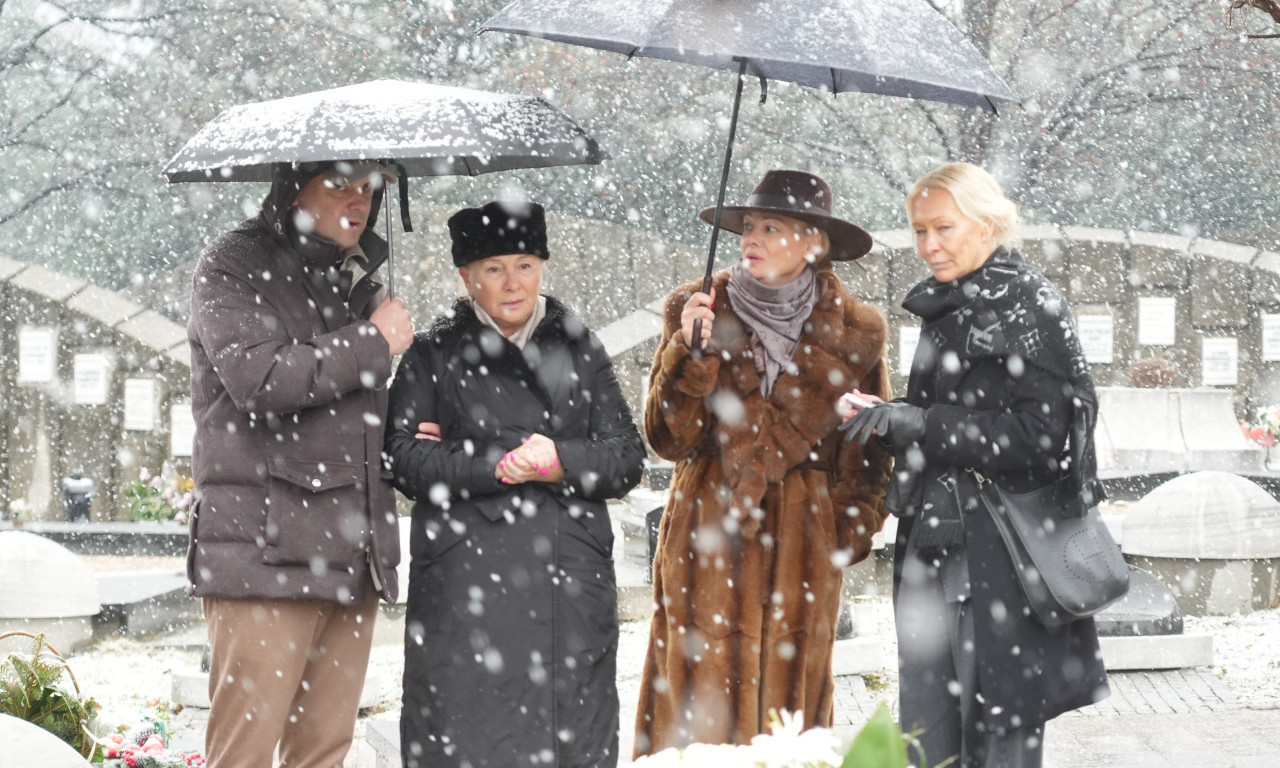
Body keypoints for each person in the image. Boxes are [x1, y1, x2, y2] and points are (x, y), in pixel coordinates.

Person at [841, 162, 1110, 768]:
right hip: (935, 541)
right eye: (918, 231)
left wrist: (923, 423)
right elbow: (947, 424)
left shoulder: (1029, 306)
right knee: (928, 733)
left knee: (997, 738)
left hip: (999, 554)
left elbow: (1044, 439)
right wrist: (888, 419)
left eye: (944, 227)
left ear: (987, 224)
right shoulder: (948, 308)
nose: (929, 245)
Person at [634, 169, 893, 755]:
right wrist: (689, 354)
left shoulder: (858, 333)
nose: (750, 237)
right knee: (694, 728)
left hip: (802, 550)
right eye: (748, 226)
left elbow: (870, 450)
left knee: (789, 734)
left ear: (813, 243)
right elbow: (665, 439)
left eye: (770, 227)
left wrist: (844, 530)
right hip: (706, 537)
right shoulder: (696, 307)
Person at [384, 200, 646, 768]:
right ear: (466, 277)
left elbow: (626, 457)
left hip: (567, 583)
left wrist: (559, 461)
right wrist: (492, 464)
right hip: (464, 582)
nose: (512, 283)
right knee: (465, 739)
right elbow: (402, 460)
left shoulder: (580, 347)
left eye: (525, 265)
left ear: (543, 268)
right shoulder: (434, 353)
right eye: (494, 268)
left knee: (568, 740)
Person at [187, 159, 414, 768]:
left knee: (323, 754)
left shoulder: (360, 281)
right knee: (246, 755)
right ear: (294, 187)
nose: (360, 199)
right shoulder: (234, 263)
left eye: (370, 186)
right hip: (265, 556)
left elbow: (349, 415)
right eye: (341, 182)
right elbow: (258, 380)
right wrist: (372, 342)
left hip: (350, 552)